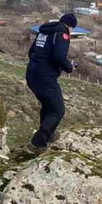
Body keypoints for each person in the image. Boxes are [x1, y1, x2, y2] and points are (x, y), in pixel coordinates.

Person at [26, 13, 78, 152]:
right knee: (58, 110)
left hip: (31, 75)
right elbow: (59, 56)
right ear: (70, 26)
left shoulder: (44, 31)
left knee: (48, 106)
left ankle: (47, 136)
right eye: (72, 29)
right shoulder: (62, 34)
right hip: (45, 78)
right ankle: (38, 141)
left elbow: (31, 53)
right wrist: (69, 68)